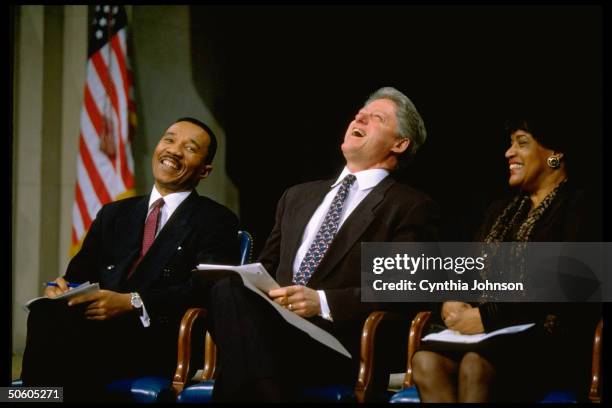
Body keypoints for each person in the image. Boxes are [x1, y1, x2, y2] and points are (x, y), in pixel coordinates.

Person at [203, 87, 439, 401]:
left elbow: (400, 288)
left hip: (338, 340)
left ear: (400, 143)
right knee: (227, 290)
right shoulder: (297, 196)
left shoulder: (410, 205)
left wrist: (323, 301)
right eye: (360, 113)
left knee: (241, 360)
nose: (360, 117)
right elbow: (266, 268)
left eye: (376, 118)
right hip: (273, 330)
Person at [21, 117, 239, 401]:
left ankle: (31, 397)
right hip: (95, 328)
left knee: (63, 345)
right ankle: (32, 397)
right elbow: (77, 274)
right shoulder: (113, 214)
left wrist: (131, 302)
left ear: (205, 170)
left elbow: (204, 291)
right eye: (170, 139)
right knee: (46, 312)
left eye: (190, 148)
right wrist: (59, 288)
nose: (174, 150)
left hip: (159, 336)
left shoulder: (216, 220)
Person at [411, 113, 602, 402]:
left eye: (521, 143)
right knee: (426, 362)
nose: (508, 152)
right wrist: (452, 302)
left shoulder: (582, 206)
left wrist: (488, 316)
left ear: (556, 154)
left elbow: (571, 287)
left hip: (550, 338)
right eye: (510, 143)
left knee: (476, 365)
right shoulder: (501, 210)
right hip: (487, 338)